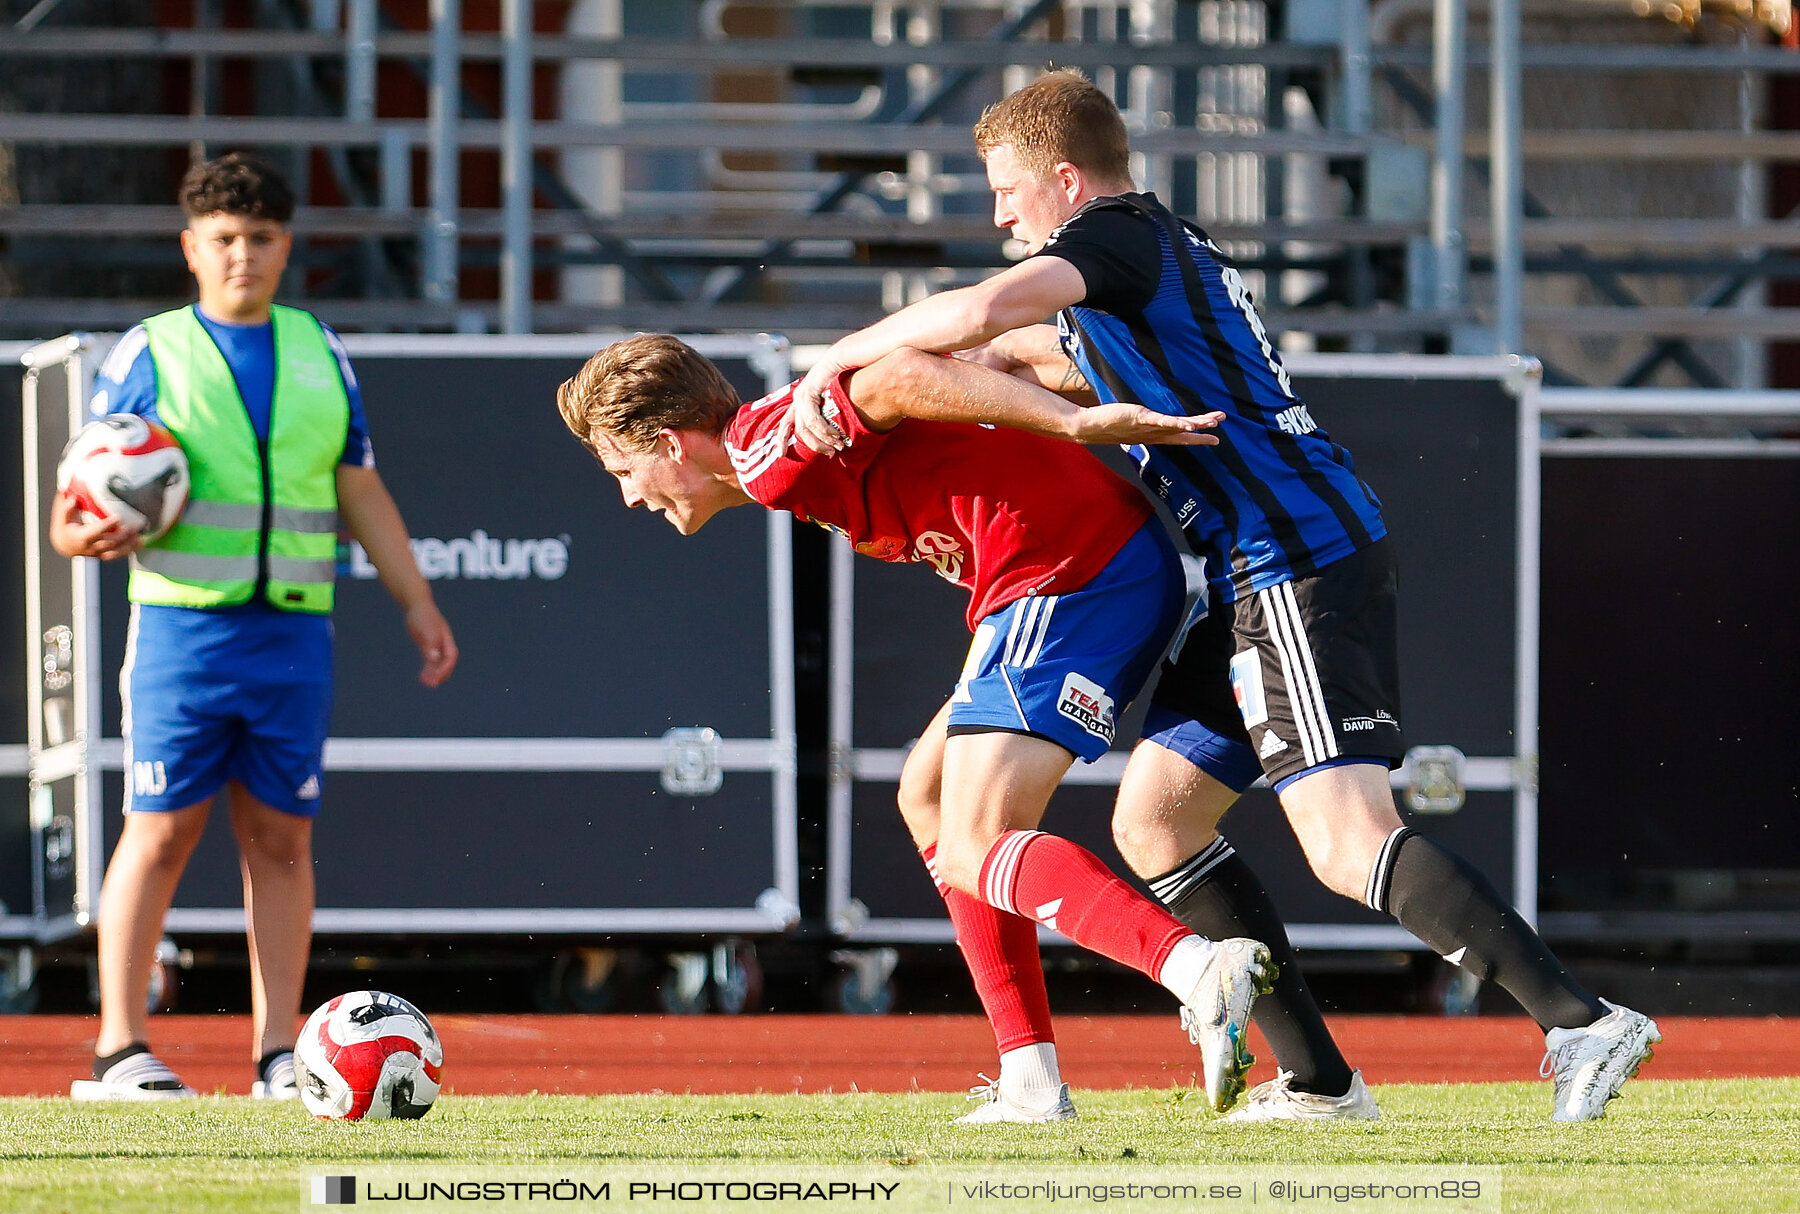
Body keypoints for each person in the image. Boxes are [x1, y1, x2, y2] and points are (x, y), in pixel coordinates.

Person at [788, 70, 1659, 1124]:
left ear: (1065, 180)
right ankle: (1323, 1084)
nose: (1000, 212)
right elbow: (1025, 349)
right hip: (1256, 567)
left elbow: (981, 309)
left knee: (1344, 838)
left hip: (1289, 553)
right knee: (1154, 821)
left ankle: (1581, 1020)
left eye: (1008, 189)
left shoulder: (1113, 235)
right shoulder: (1134, 265)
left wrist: (834, 360)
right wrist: (921, 368)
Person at [558, 333, 1277, 1123]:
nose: (630, 497)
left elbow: (900, 373)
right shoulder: (769, 453)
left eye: (624, 470)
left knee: (976, 839)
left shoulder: (767, 448)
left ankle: (1195, 969)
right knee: (926, 796)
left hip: (1068, 571)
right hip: (1068, 571)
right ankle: (1030, 1079)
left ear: (668, 441)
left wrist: (1073, 420)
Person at [51, 153, 458, 1101]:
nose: (244, 255)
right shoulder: (147, 351)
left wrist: (417, 598)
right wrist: (86, 532)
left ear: (287, 248)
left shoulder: (319, 348)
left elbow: (358, 483)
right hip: (184, 633)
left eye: (262, 238)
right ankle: (119, 1051)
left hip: (292, 637)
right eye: (225, 239)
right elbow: (75, 501)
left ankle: (281, 1054)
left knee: (281, 838)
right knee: (160, 829)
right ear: (192, 248)